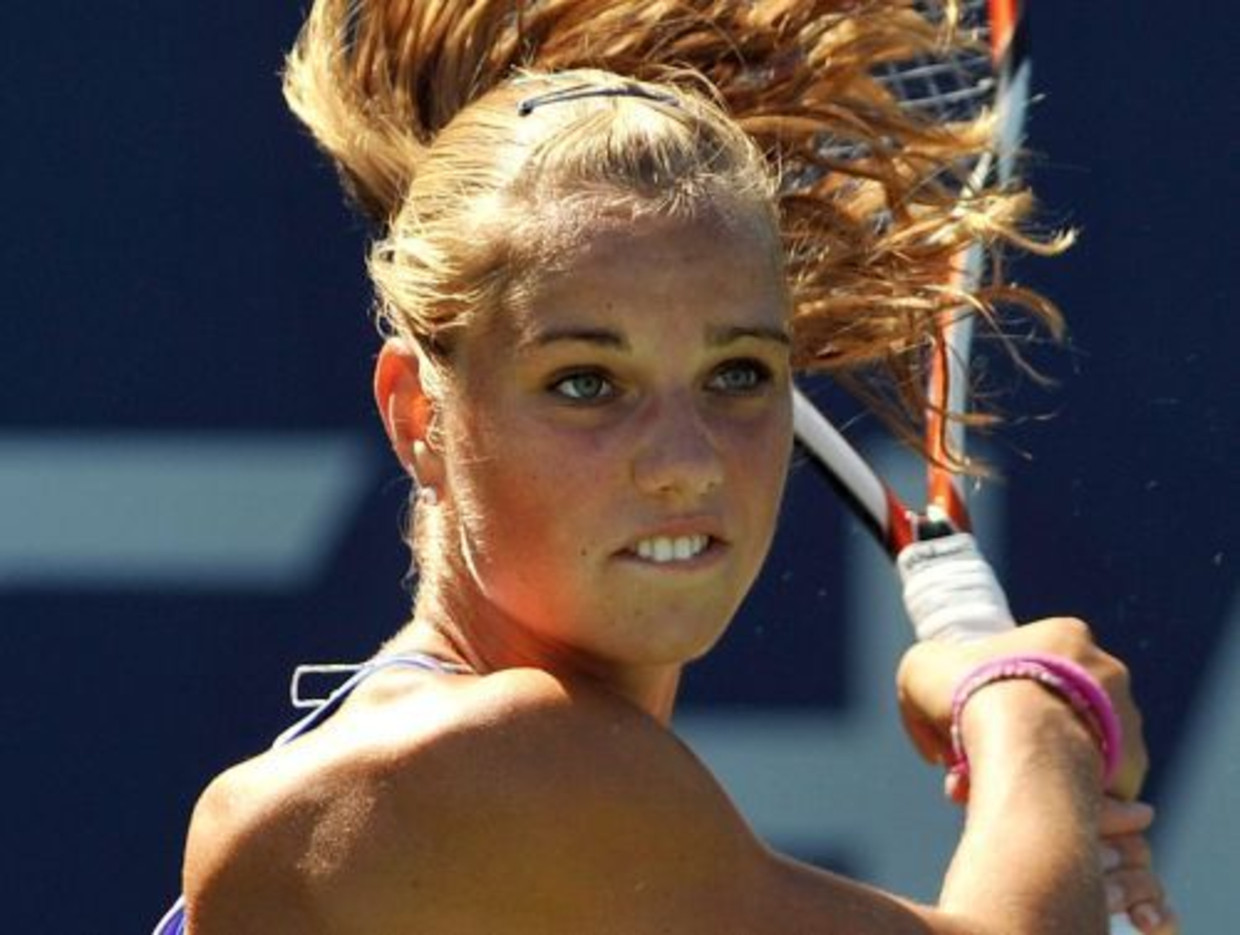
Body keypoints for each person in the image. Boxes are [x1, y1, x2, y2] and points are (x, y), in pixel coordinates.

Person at [155, 1, 1177, 932]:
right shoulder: (474, 768)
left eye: (736, 372)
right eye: (586, 383)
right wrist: (1035, 720)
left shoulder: (526, 797)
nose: (685, 461)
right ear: (420, 413)